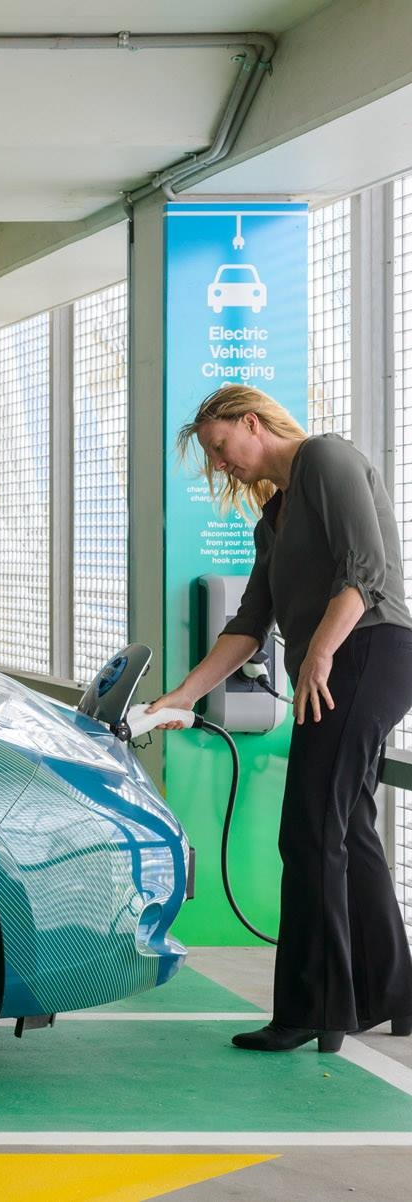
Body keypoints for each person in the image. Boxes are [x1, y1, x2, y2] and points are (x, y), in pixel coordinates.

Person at [150, 384, 412, 1053]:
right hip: (339, 661)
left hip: (370, 649)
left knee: (308, 830)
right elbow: (248, 623)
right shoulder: (274, 516)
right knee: (346, 827)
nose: (219, 466)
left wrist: (319, 653)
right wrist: (184, 694)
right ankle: (394, 995)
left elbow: (367, 571)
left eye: (219, 448)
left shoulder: (326, 458)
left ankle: (314, 1010)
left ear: (250, 422)